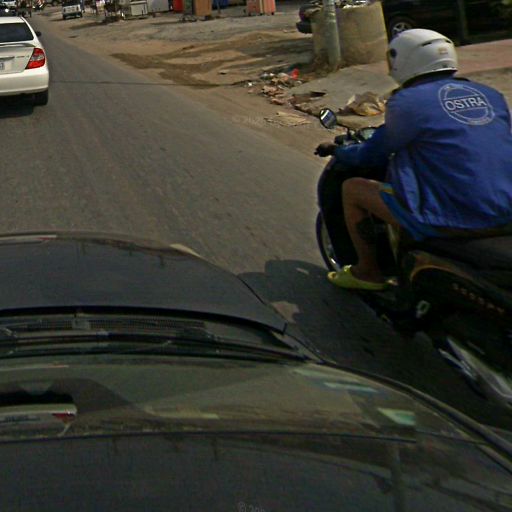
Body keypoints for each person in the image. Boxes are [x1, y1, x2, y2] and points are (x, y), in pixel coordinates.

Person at [315, 28, 512, 291]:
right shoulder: (490, 95)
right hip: (505, 211)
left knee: (352, 189)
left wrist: (338, 151)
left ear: (403, 60)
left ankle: (368, 273)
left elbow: (373, 152)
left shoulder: (407, 102)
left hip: (450, 217)